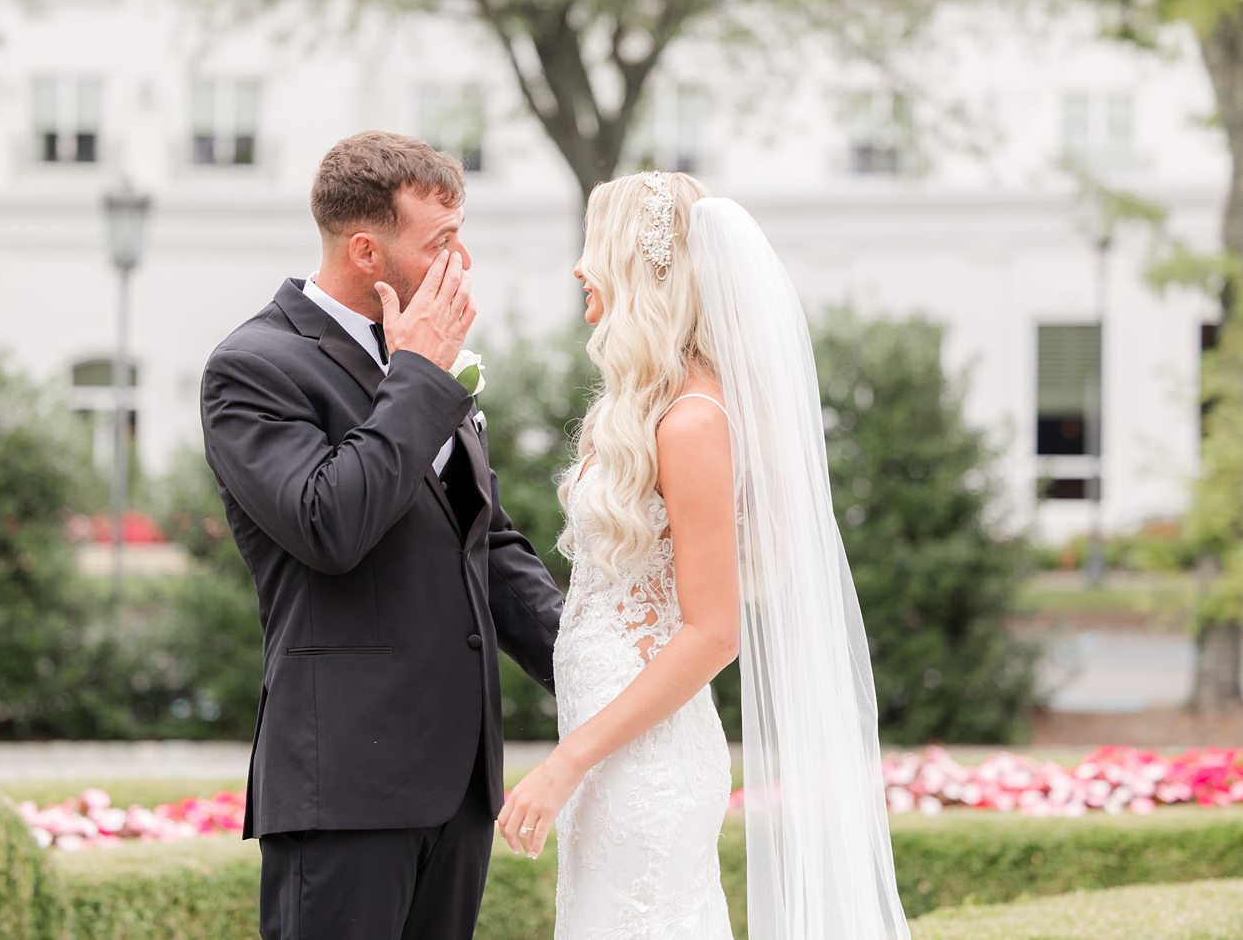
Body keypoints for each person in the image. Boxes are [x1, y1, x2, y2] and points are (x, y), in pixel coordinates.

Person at [495, 171, 911, 939]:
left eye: (596, 248)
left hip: (642, 761)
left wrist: (564, 764)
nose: (580, 267)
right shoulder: (642, 409)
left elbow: (713, 632)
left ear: (644, 268)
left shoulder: (691, 421)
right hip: (608, 748)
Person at [200, 130, 564, 940]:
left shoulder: (425, 365)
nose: (460, 261)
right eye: (440, 241)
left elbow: (487, 544)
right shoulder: (255, 366)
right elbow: (331, 523)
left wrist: (593, 669)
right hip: (346, 790)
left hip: (460, 784)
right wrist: (420, 380)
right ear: (367, 249)